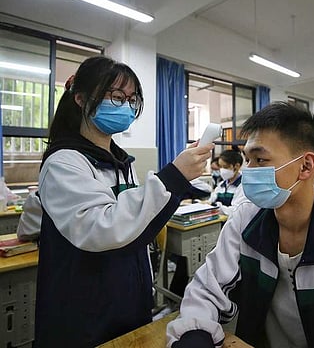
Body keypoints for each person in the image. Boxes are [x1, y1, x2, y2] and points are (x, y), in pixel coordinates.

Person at [167, 102, 314, 348]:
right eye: (247, 159)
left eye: (260, 159)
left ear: (305, 166)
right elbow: (207, 289)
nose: (249, 171)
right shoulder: (245, 219)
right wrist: (194, 335)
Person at [32, 56, 213, 347]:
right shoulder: (64, 163)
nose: (126, 106)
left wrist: (177, 182)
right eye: (117, 97)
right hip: (85, 307)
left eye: (132, 99)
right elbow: (102, 228)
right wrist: (174, 176)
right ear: (80, 99)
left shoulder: (120, 161)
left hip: (127, 296)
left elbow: (137, 223)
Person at [208, 149, 246, 216]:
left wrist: (217, 207)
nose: (222, 170)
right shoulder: (221, 185)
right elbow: (211, 200)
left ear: (237, 166)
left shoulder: (243, 186)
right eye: (220, 167)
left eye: (225, 167)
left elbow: (236, 210)